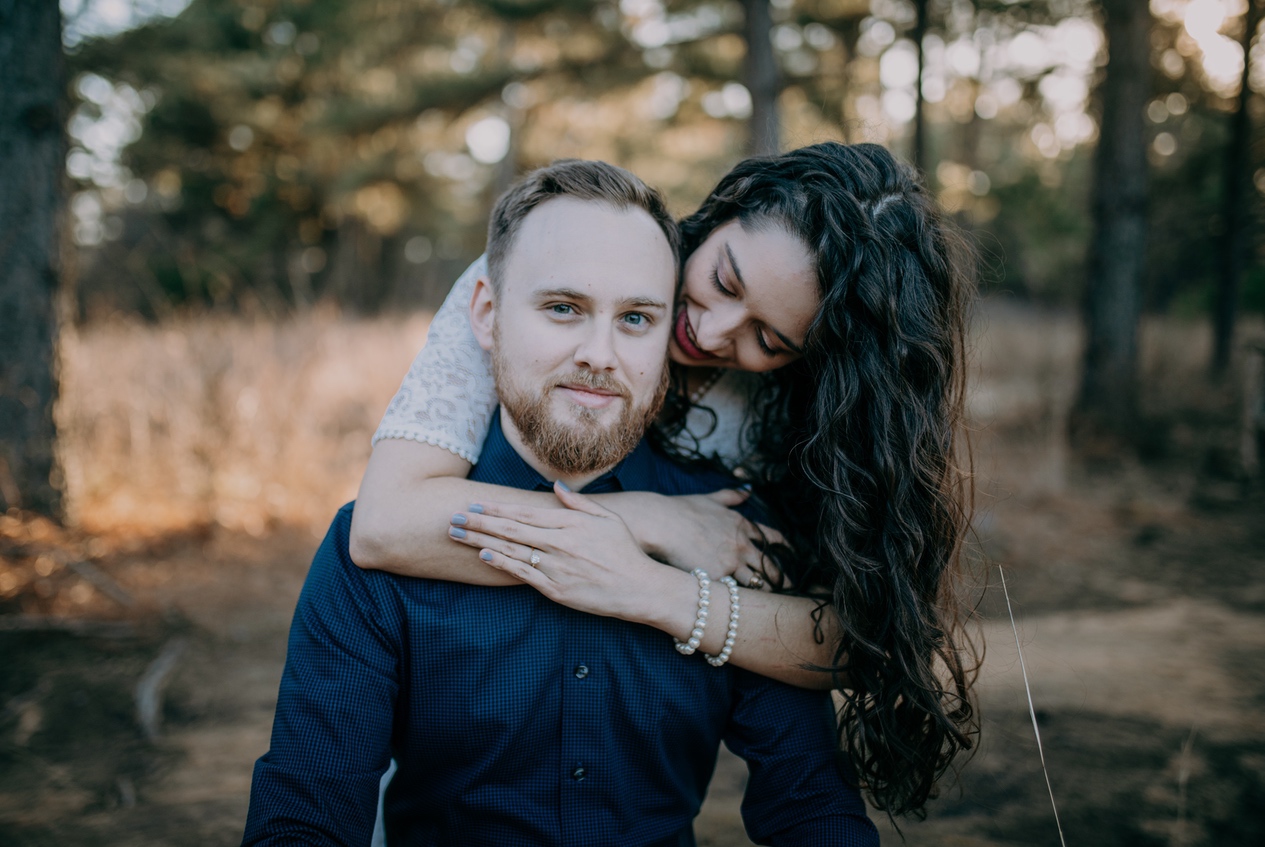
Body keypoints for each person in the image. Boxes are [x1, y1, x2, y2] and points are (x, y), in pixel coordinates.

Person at [243, 160, 879, 846]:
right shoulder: (384, 544)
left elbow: (814, 795)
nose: (599, 353)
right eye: (562, 309)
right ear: (486, 313)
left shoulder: (734, 537)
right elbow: (303, 817)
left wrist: (659, 587)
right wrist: (631, 522)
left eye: (636, 318)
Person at [352, 142, 978, 816]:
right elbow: (386, 524)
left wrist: (659, 590)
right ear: (719, 213)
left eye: (768, 341)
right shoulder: (548, 272)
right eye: (725, 279)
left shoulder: (807, 412)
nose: (712, 331)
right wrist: (649, 519)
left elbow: (863, 640)